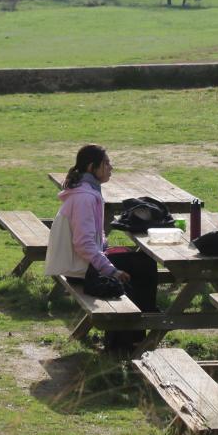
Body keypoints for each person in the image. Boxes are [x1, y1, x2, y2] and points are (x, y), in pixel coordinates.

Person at [44, 144, 158, 353]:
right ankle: (132, 337)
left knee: (139, 261)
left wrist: (107, 250)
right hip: (80, 269)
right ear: (91, 167)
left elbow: (95, 236)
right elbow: (84, 244)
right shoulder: (85, 197)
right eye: (106, 163)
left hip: (80, 263)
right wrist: (111, 269)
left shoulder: (85, 191)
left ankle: (130, 336)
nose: (111, 167)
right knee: (144, 267)